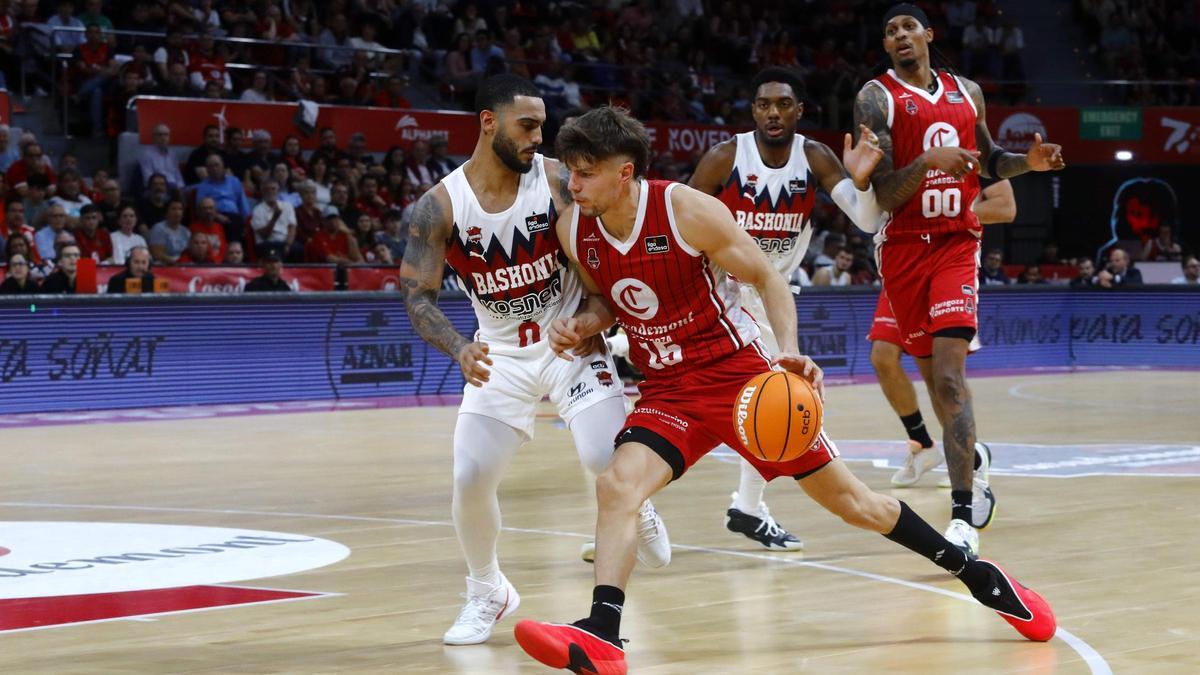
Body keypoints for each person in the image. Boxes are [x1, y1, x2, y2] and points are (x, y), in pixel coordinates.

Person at [514, 106, 1057, 673]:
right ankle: (603, 633)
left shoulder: (687, 210)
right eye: (570, 174)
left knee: (856, 505)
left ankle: (977, 574)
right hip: (667, 389)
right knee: (617, 485)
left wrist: (788, 351)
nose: (571, 185)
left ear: (624, 172)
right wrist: (583, 323)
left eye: (584, 174)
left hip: (738, 378)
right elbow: (609, 298)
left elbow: (767, 276)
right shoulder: (574, 227)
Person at [398, 75, 670, 648]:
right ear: (488, 122)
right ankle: (486, 590)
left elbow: (603, 264)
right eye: (528, 126)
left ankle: (635, 503)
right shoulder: (441, 204)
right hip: (498, 353)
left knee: (604, 454)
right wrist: (458, 347)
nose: (538, 137)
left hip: (566, 343)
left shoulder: (555, 182)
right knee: (470, 478)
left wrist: (595, 320)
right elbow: (418, 295)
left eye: (541, 126)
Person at [853, 3, 1065, 558]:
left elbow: (989, 160)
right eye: (890, 30)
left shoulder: (967, 91)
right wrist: (927, 162)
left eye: (908, 27)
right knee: (929, 379)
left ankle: (962, 513)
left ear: (928, 35)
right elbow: (881, 192)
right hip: (901, 250)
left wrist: (1029, 164)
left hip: (954, 243)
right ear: (886, 45)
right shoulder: (875, 99)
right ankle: (973, 459)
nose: (900, 35)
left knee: (949, 380)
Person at [686, 65, 885, 551]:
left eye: (783, 104)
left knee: (766, 401)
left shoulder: (813, 157)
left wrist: (861, 180)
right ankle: (742, 506)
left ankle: (747, 508)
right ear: (753, 110)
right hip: (725, 291)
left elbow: (866, 219)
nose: (773, 113)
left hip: (772, 291)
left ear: (799, 110)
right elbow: (682, 224)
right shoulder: (725, 157)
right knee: (780, 397)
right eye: (764, 105)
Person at [869, 178, 1014, 509]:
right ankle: (923, 444)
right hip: (903, 260)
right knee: (882, 355)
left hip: (948, 258)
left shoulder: (970, 140)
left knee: (945, 377)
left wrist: (945, 216)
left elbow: (1006, 206)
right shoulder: (903, 142)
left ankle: (971, 460)